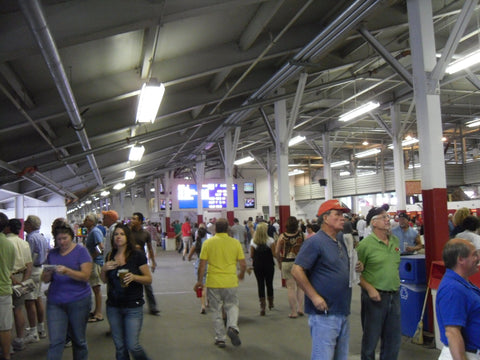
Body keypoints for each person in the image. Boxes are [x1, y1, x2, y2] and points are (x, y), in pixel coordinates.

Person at [292, 199, 361, 360]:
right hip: (324, 314)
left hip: (342, 310)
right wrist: (314, 297)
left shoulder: (340, 241)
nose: (343, 218)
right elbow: (297, 270)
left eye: (343, 215)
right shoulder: (315, 242)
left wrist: (357, 267)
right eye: (337, 214)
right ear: (325, 218)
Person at [101, 223, 152, 360]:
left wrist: (134, 277)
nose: (118, 237)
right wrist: (104, 269)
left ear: (127, 237)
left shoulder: (137, 255)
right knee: (120, 347)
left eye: (122, 234)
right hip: (113, 306)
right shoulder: (110, 255)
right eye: (116, 234)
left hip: (133, 306)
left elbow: (148, 279)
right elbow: (104, 281)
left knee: (132, 345)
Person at [356, 206, 401, 360]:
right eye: (384, 217)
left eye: (388, 217)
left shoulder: (394, 241)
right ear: (373, 223)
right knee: (370, 341)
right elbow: (355, 275)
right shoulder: (365, 245)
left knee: (393, 341)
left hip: (394, 296)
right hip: (374, 298)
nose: (388, 220)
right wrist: (370, 289)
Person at [42, 224, 92, 360]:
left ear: (71, 237)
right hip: (55, 301)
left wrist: (67, 271)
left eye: (65, 238)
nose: (62, 242)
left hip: (79, 300)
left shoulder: (82, 252)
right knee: (56, 341)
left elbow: (86, 276)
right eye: (59, 239)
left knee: (79, 340)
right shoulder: (52, 254)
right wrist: (47, 273)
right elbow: (45, 280)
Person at [193, 218, 246, 348]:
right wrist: (241, 274)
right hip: (230, 281)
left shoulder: (208, 243)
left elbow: (202, 265)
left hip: (213, 281)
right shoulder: (235, 243)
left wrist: (199, 281)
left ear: (215, 229)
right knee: (232, 305)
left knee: (216, 310)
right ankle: (233, 327)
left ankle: (220, 338)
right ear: (228, 229)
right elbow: (243, 264)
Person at [436, 238, 480, 360]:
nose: (478, 258)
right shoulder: (452, 289)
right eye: (474, 255)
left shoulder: (463, 284)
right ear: (460, 259)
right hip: (465, 355)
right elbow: (452, 332)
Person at [5, 219, 34, 351]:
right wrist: (23, 281)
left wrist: (12, 279)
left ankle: (7, 345)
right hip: (21, 277)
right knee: (18, 309)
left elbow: (4, 266)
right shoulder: (24, 243)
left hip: (7, 279)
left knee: (5, 313)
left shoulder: (5, 243)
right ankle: (20, 339)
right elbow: (29, 265)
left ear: (8, 228)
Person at [24, 215, 49, 344]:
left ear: (31, 225)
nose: (25, 225)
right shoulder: (41, 237)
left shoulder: (31, 238)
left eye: (27, 222)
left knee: (29, 301)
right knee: (38, 298)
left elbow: (28, 257)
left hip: (33, 270)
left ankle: (33, 332)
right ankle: (41, 328)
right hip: (40, 269)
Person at [130, 212, 160, 315]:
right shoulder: (128, 232)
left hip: (142, 262)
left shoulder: (145, 234)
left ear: (140, 221)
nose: (132, 221)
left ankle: (153, 307)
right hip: (130, 261)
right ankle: (131, 305)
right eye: (132, 219)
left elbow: (150, 249)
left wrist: (153, 262)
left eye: (134, 219)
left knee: (148, 285)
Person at [275, 216, 305, 318]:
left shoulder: (282, 237)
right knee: (300, 286)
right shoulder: (301, 235)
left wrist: (279, 261)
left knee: (291, 288)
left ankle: (293, 312)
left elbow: (276, 252)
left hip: (286, 262)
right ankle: (300, 308)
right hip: (299, 263)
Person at [250, 222, 275, 316]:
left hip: (258, 265)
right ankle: (271, 302)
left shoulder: (253, 241)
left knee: (260, 284)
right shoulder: (270, 240)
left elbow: (252, 255)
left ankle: (262, 306)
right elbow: (273, 254)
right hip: (269, 265)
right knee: (269, 283)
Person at [83, 213, 104, 322]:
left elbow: (101, 248)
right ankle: (96, 311)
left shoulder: (95, 232)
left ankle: (99, 313)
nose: (84, 220)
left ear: (92, 221)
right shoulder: (91, 231)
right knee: (95, 288)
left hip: (95, 264)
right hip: (93, 262)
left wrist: (91, 258)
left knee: (96, 288)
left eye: (87, 219)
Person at [0, 213, 15, 360]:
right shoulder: (9, 245)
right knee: (4, 328)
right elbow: (10, 268)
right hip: (4, 289)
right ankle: (6, 356)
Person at [187, 227, 209, 314]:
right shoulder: (208, 242)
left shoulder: (196, 243)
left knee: (200, 285)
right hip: (208, 265)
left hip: (199, 265)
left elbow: (190, 255)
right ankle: (208, 301)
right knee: (208, 285)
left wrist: (189, 258)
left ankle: (202, 305)